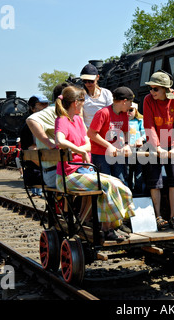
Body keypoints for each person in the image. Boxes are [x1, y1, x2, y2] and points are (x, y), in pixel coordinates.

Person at [54, 86, 134, 241]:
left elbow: (89, 144)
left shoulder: (78, 119)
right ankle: (108, 229)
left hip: (84, 171)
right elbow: (60, 140)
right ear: (76, 103)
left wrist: (81, 150)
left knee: (117, 182)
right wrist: (81, 150)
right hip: (69, 175)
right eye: (82, 102)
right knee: (108, 185)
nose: (84, 105)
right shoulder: (62, 120)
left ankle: (113, 225)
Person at [143, 71, 174, 230]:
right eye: (151, 88)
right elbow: (149, 125)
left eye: (155, 89)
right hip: (155, 145)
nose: (152, 92)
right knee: (156, 181)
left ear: (165, 89)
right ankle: (158, 215)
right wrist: (157, 146)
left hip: (172, 144)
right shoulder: (148, 100)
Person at [87, 87, 133, 186]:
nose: (131, 106)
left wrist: (126, 144)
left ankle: (120, 201)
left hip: (117, 153)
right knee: (105, 183)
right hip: (100, 154)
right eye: (130, 102)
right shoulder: (103, 113)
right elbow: (91, 133)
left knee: (121, 181)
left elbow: (126, 131)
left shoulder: (124, 114)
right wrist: (109, 146)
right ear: (124, 101)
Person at [20, 94, 49, 197]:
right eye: (42, 105)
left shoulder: (47, 122)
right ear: (32, 108)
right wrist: (48, 166)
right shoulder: (28, 126)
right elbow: (32, 151)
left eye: (47, 104)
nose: (46, 107)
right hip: (38, 171)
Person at [80, 63, 113, 129]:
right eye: (85, 81)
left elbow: (111, 114)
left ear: (97, 77)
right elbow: (80, 117)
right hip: (88, 131)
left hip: (104, 130)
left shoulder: (106, 93)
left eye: (91, 81)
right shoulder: (81, 95)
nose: (88, 84)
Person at [127, 102, 146, 194]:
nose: (128, 112)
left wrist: (141, 139)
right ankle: (128, 190)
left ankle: (139, 191)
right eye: (126, 110)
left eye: (131, 110)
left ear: (136, 110)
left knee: (139, 171)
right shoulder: (122, 120)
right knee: (127, 172)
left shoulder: (140, 120)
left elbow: (145, 133)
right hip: (126, 149)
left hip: (138, 149)